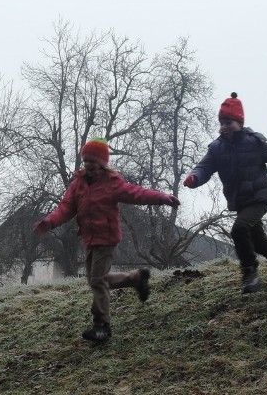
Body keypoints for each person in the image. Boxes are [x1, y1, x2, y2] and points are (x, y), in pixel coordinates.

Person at [33, 138, 180, 342]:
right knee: (96, 280)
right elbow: (66, 208)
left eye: (93, 161)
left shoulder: (112, 183)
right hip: (90, 238)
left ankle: (102, 326)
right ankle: (135, 278)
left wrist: (161, 197)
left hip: (107, 238)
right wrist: (49, 221)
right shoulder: (78, 185)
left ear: (103, 162)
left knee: (96, 280)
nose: (89, 165)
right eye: (85, 161)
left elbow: (136, 193)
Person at [183, 92, 267, 294]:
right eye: (221, 122)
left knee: (239, 229)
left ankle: (250, 273)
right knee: (258, 242)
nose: (224, 127)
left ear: (239, 122)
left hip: (258, 197)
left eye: (228, 122)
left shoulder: (254, 142)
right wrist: (194, 178)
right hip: (240, 201)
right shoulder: (216, 148)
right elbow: (203, 168)